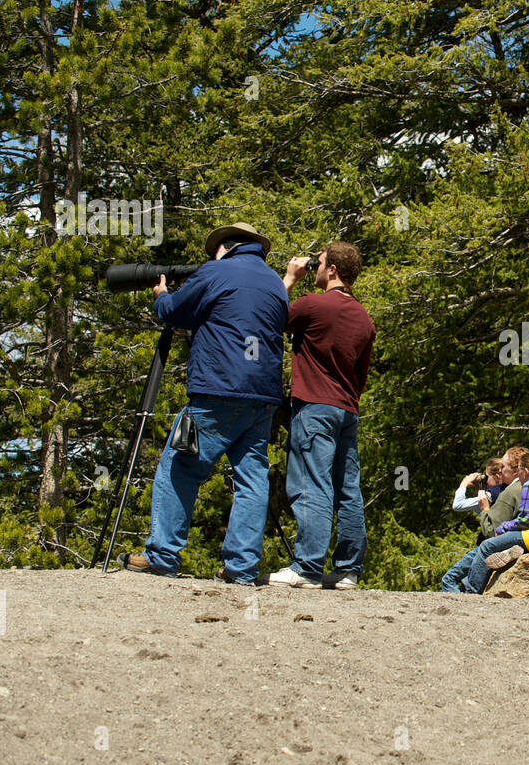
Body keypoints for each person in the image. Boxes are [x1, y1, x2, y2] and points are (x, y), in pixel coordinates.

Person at [125, 222, 288, 585]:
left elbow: (174, 311)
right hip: (262, 397)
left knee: (180, 466)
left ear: (225, 247)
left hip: (218, 389)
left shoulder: (216, 271)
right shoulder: (276, 283)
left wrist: (161, 293)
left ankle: (163, 554)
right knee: (252, 479)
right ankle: (242, 567)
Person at [265, 242, 375, 590]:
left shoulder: (313, 305)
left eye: (320, 262)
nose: (315, 267)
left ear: (332, 270)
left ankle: (307, 567)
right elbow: (361, 375)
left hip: (314, 406)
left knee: (311, 484)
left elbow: (269, 316)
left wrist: (288, 277)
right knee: (347, 489)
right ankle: (347, 570)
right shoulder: (364, 319)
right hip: (346, 410)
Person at [440, 451, 529, 593]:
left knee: (486, 546)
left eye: (519, 470)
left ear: (525, 471)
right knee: (505, 541)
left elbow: (524, 521)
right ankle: (509, 551)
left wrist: (503, 528)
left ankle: (471, 593)